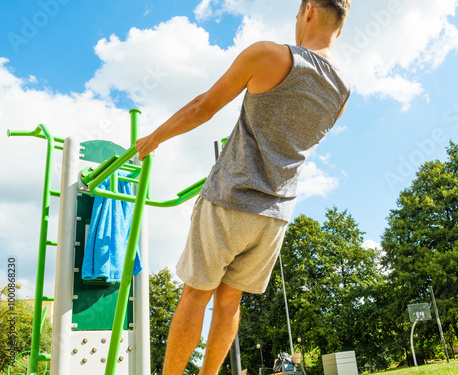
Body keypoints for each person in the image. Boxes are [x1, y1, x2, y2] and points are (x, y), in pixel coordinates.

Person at [135, 1, 351, 374]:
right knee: (229, 302)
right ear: (341, 27)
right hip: (276, 216)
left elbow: (202, 107)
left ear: (309, 10)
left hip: (231, 198)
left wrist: (156, 136)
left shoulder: (269, 54)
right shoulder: (343, 92)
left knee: (195, 295)